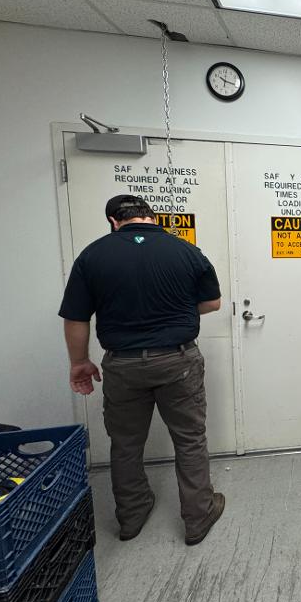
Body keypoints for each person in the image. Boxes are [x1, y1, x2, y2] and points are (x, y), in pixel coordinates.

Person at [59, 195, 224, 545]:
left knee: (125, 444)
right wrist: (177, 308)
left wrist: (79, 362)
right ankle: (198, 516)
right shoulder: (186, 250)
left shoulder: (93, 255)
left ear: (113, 221)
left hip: (122, 364)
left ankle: (132, 517)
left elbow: (76, 316)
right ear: (151, 217)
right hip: (178, 360)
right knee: (190, 439)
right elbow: (212, 302)